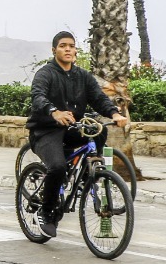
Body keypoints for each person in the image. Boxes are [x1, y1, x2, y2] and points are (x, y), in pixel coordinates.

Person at [24, 30, 129, 239]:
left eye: (71, 46)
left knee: (99, 130)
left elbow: (99, 98)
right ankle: (45, 212)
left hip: (71, 129)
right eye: (63, 46)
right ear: (54, 50)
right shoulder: (46, 73)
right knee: (57, 167)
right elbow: (38, 96)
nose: (68, 49)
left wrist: (115, 114)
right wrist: (54, 112)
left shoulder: (82, 76)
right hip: (45, 131)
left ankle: (90, 172)